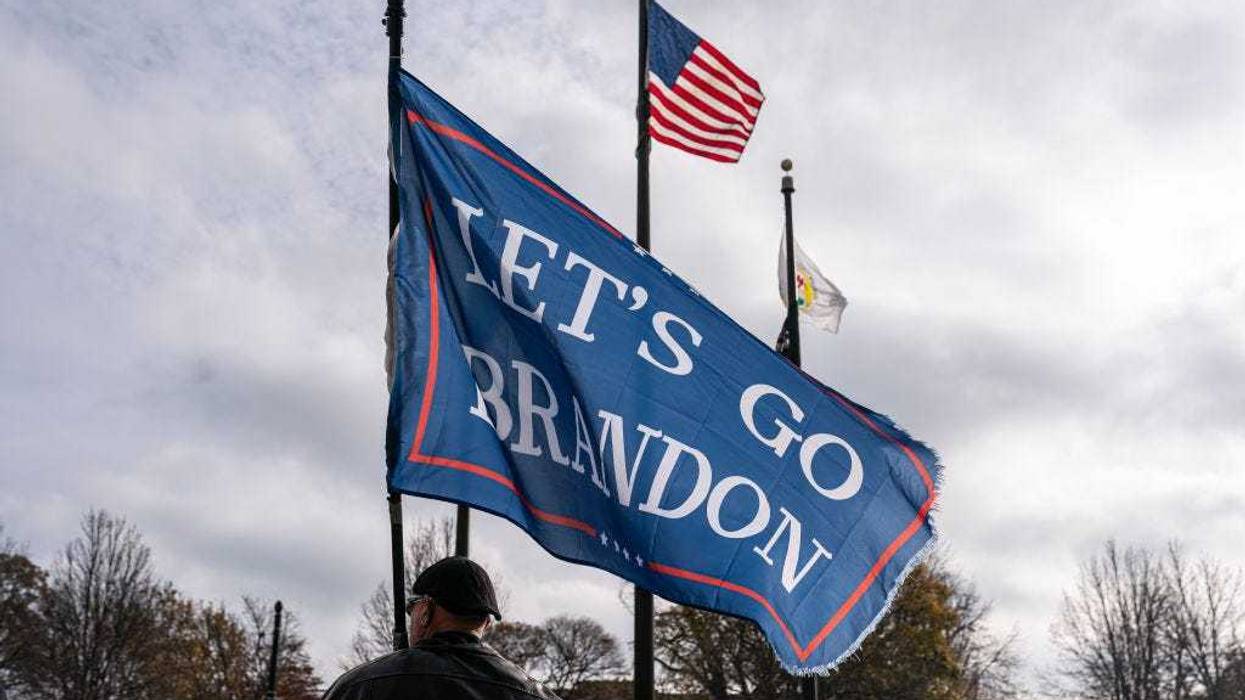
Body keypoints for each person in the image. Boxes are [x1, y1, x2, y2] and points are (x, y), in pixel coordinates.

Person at [322, 556, 559, 699]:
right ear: (486, 622)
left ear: (425, 611)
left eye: (411, 608)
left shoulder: (359, 686)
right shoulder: (533, 693)